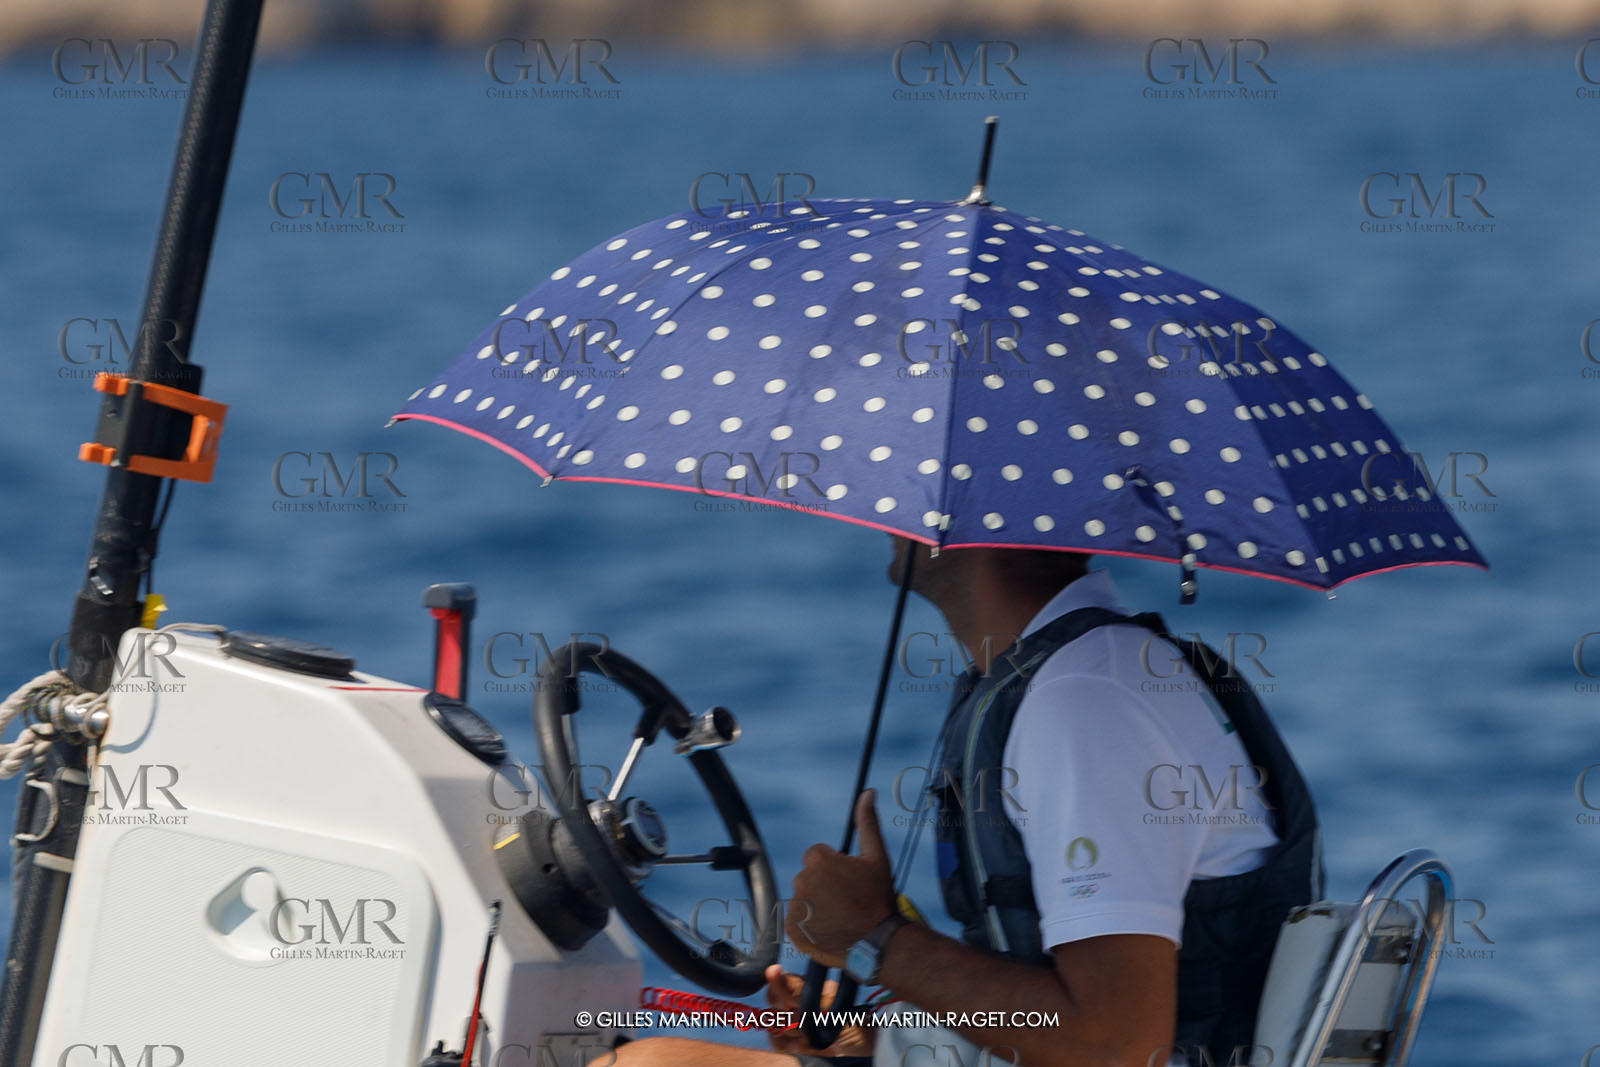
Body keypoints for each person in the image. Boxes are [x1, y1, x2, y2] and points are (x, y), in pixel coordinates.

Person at [613, 537, 1320, 1067]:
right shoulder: (1109, 671)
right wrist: (883, 1035)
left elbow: (1115, 1043)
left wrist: (877, 938)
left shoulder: (1086, 702)